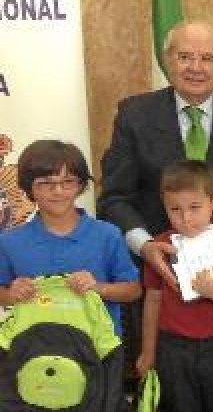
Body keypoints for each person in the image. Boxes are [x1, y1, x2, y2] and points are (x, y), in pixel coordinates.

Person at [97, 20, 213, 412]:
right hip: (165, 296)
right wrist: (146, 246)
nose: (196, 66)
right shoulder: (135, 115)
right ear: (167, 61)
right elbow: (114, 196)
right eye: (185, 57)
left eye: (207, 57)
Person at [135, 161, 213, 412]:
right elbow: (153, 300)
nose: (186, 219)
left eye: (195, 207)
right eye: (175, 210)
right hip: (173, 348)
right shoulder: (161, 247)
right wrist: (148, 352)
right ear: (164, 206)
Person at [0, 140, 141, 333]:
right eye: (45, 183)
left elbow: (133, 290)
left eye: (67, 182)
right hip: (33, 350)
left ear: (80, 185)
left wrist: (97, 287)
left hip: (97, 350)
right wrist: (11, 294)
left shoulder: (107, 234)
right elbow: (3, 293)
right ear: (28, 188)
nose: (57, 191)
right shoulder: (9, 242)